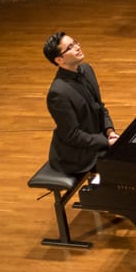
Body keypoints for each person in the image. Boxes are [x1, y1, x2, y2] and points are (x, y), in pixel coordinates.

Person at [42, 31, 119, 180]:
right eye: (70, 47)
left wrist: (110, 131)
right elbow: (72, 136)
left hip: (96, 138)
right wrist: (105, 142)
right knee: (122, 165)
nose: (77, 47)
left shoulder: (87, 69)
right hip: (77, 154)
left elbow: (100, 107)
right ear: (59, 60)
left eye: (75, 42)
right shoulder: (58, 93)